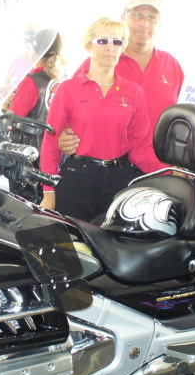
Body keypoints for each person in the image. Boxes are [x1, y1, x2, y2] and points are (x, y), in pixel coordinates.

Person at [39, 17, 169, 222]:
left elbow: (140, 149)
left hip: (120, 182)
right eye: (103, 41)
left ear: (122, 48)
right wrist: (48, 192)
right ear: (88, 45)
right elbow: (50, 142)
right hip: (77, 179)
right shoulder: (68, 90)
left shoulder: (133, 92)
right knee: (71, 238)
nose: (110, 47)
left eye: (117, 42)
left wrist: (170, 173)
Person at [58, 0, 185, 155]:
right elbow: (65, 107)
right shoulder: (98, 61)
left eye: (152, 17)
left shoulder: (171, 64)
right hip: (108, 164)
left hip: (159, 162)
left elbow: (188, 108)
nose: (145, 23)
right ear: (123, 18)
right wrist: (63, 134)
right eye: (137, 15)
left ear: (159, 24)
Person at [8, 29, 64, 121]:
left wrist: (6, 102)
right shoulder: (61, 82)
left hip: (31, 131)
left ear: (35, 52)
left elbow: (12, 121)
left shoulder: (30, 82)